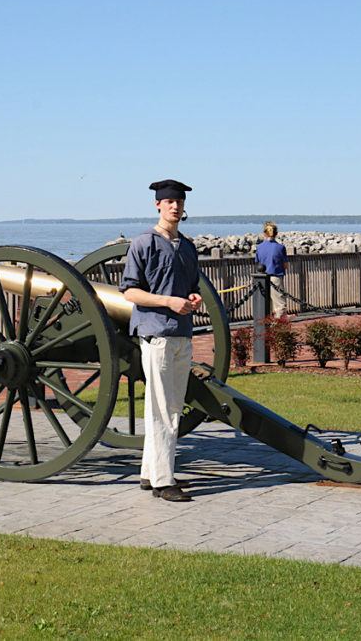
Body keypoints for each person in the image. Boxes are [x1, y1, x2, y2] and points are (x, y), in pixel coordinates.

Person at [119, 179, 202, 502]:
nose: (175, 207)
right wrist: (168, 302)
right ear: (158, 205)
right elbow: (130, 291)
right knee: (162, 410)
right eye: (169, 202)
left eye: (179, 202)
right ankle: (163, 481)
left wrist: (191, 299)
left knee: (170, 407)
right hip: (156, 334)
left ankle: (149, 473)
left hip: (182, 333)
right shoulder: (144, 244)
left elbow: (190, 287)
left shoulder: (188, 247)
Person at [255, 222, 289, 317]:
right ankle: (279, 326)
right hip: (275, 277)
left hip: (262, 278)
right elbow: (285, 265)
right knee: (279, 304)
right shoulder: (281, 247)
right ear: (276, 233)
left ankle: (265, 325)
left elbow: (258, 262)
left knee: (265, 304)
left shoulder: (259, 247)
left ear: (264, 233)